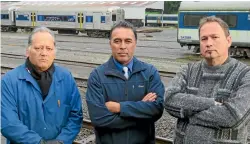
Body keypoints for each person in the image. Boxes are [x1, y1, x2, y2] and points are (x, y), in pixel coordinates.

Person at [164, 16, 250, 144]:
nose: (209, 43)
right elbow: (169, 100)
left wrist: (188, 115)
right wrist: (213, 103)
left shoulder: (245, 75)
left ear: (228, 40)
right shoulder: (188, 70)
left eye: (215, 37)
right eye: (204, 38)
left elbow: (233, 116)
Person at [86, 21, 165, 144]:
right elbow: (99, 118)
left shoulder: (149, 73)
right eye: (117, 41)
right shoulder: (97, 76)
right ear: (110, 44)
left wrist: (119, 107)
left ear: (135, 43)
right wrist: (141, 111)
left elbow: (156, 109)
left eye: (128, 41)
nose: (122, 46)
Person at [1, 27, 83, 144]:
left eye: (48, 48)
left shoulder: (66, 77)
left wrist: (62, 141)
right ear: (27, 51)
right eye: (38, 48)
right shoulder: (10, 80)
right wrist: (39, 143)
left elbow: (75, 116)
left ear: (54, 52)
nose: (44, 53)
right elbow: (8, 124)